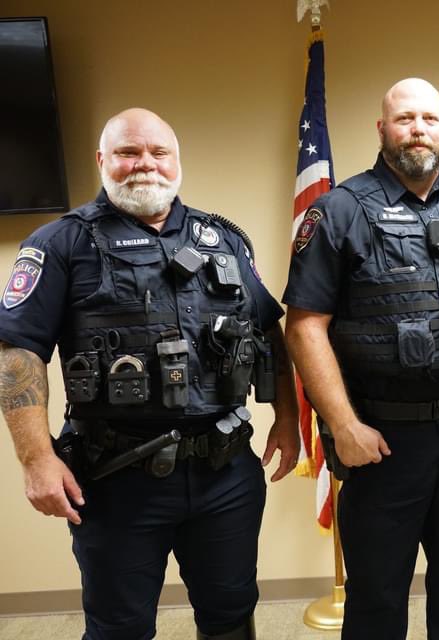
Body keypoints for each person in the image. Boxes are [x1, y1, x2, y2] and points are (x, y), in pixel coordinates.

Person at [0, 108, 300, 640]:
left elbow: (268, 331)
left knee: (231, 612)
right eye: (128, 152)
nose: (146, 165)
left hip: (224, 470)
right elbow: (16, 351)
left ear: (176, 161)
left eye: (158, 153)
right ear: (102, 161)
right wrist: (35, 458)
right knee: (119, 625)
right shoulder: (59, 244)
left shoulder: (224, 239)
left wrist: (287, 417)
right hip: (116, 475)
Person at [283, 78, 439, 640]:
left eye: (429, 119)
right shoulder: (338, 211)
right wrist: (342, 426)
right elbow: (304, 326)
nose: (418, 129)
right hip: (381, 438)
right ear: (383, 129)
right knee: (377, 600)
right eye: (405, 118)